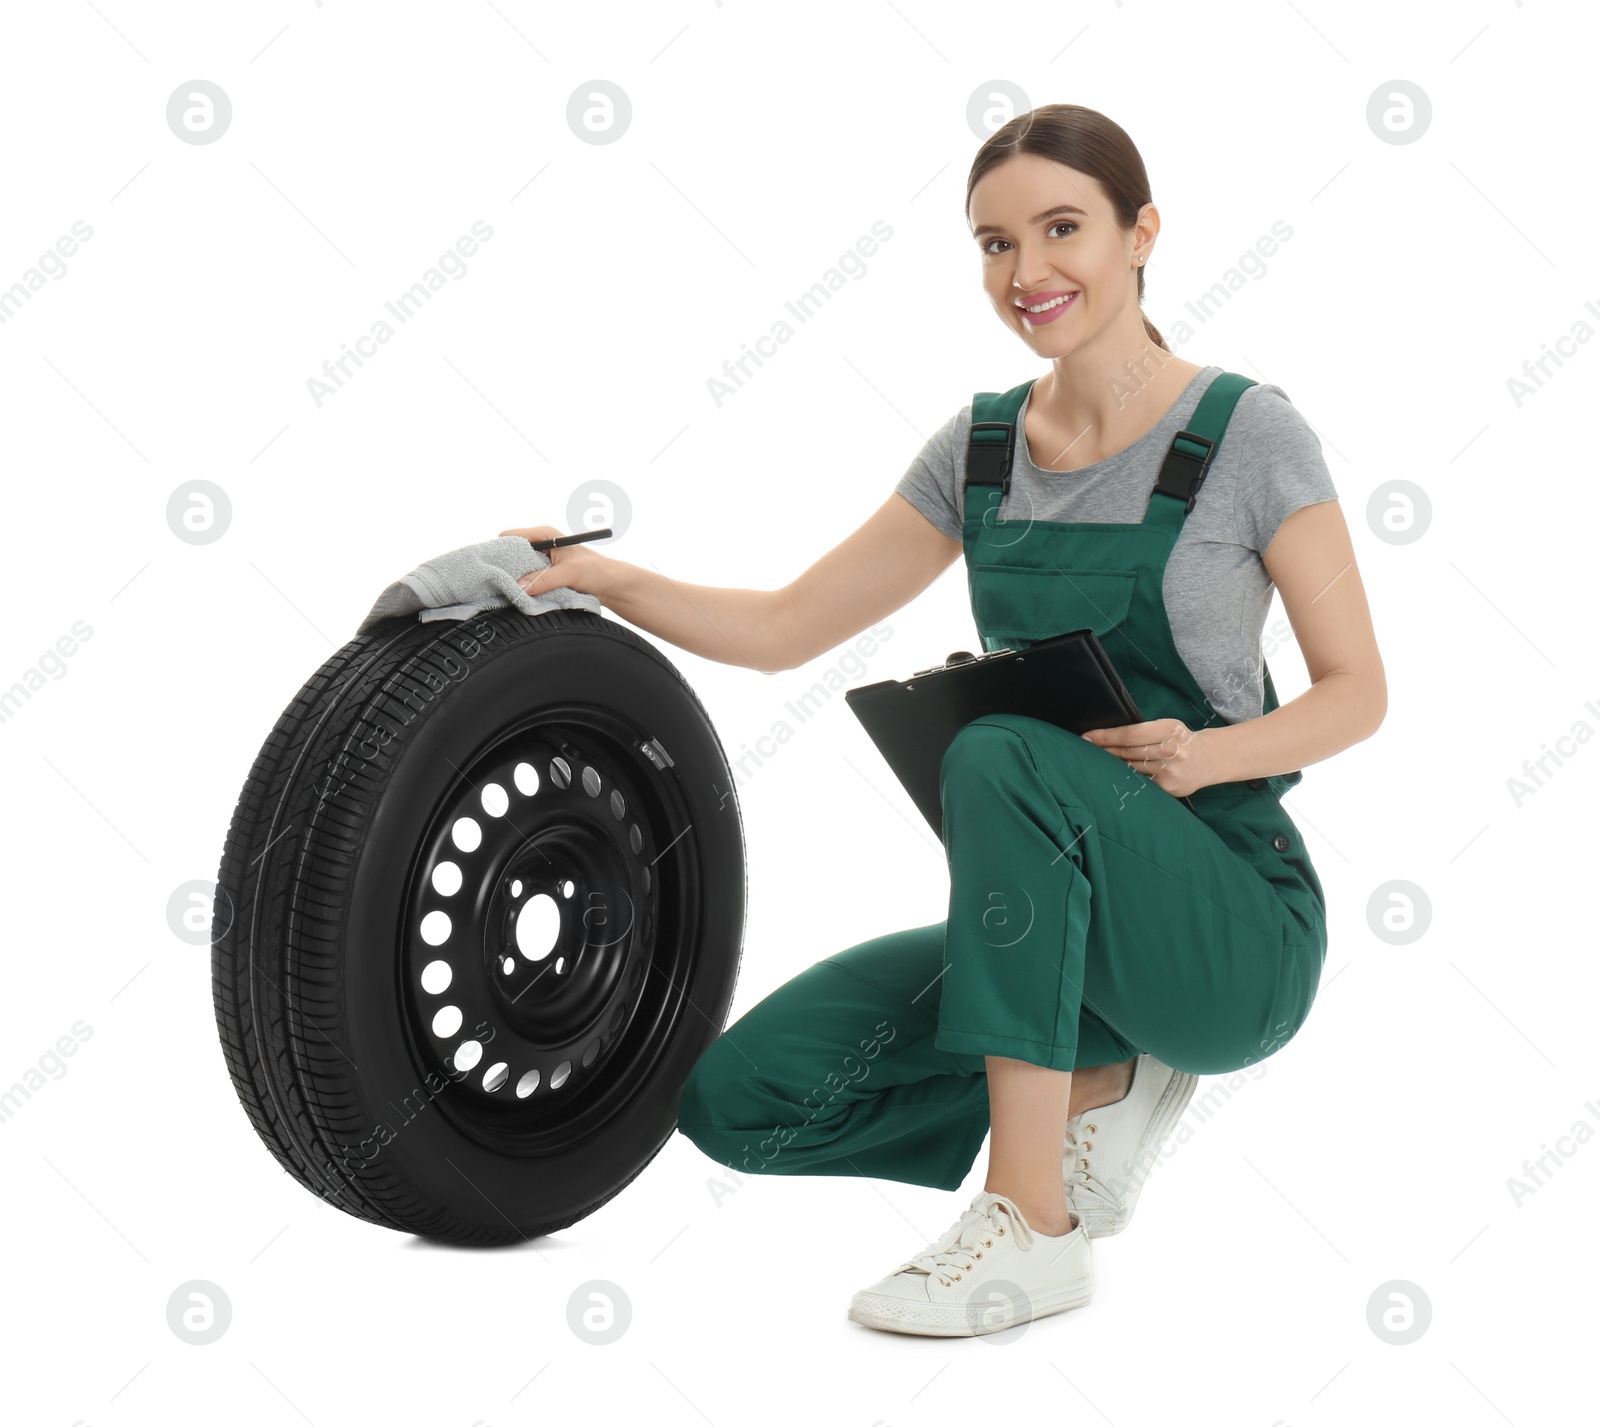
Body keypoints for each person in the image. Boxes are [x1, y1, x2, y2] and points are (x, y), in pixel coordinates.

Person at [501, 103, 1385, 1338]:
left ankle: (1029, 1223)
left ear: (1142, 235)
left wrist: (1204, 755)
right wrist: (608, 580)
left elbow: (1361, 690)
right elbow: (786, 623)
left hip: (1231, 925)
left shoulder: (1248, 435)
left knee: (1001, 747)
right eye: (992, 242)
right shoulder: (976, 453)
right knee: (741, 1099)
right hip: (1057, 925)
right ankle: (1097, 1074)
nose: (1026, 273)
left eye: (1061, 228)